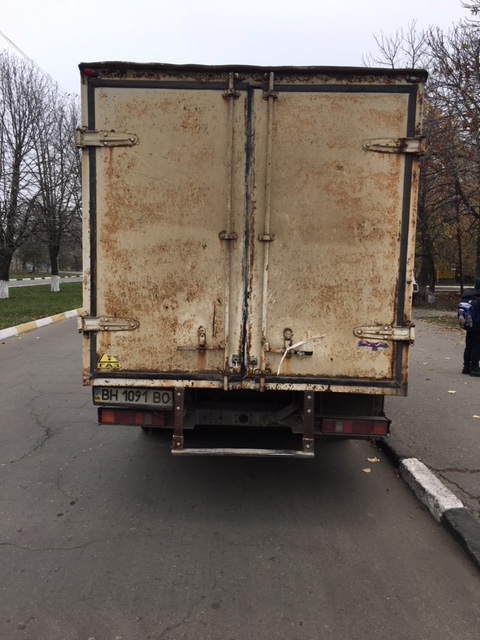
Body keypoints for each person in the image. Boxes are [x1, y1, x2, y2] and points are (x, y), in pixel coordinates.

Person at [461, 278, 480, 376]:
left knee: (469, 346)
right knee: (477, 346)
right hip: (478, 326)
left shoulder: (469, 295)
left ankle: (466, 367)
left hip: (469, 325)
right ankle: (475, 368)